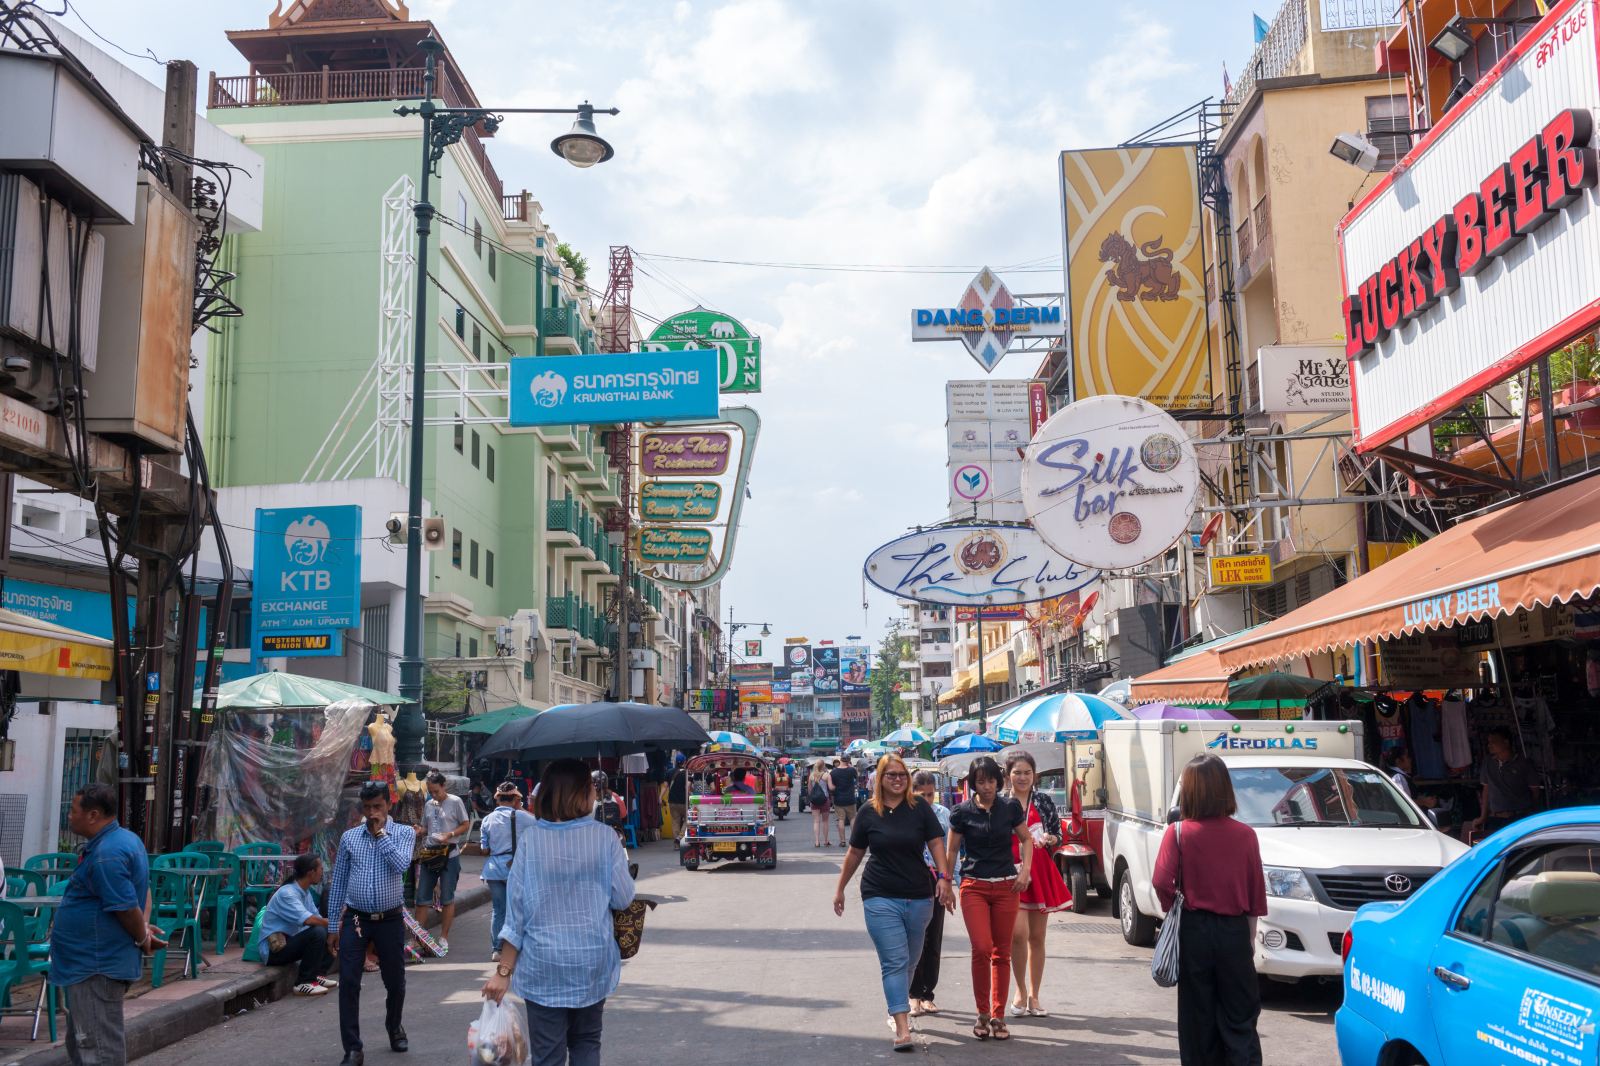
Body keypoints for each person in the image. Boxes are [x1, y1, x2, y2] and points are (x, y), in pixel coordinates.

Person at [483, 759, 635, 1066]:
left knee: (548, 1056)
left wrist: (503, 972)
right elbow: (623, 899)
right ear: (579, 792)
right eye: (591, 787)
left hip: (543, 967)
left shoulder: (530, 839)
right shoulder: (605, 837)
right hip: (591, 962)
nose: (595, 792)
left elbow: (516, 915)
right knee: (586, 1043)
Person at [1153, 754, 1268, 1066]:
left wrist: (1174, 907)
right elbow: (1256, 891)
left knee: (1197, 1019)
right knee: (1240, 1017)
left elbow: (1161, 881)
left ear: (1189, 792)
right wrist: (1249, 933)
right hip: (1234, 932)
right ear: (1224, 789)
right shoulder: (1246, 835)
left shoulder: (1178, 833)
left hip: (1194, 931)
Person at [832, 753, 952, 1053]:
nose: (897, 779)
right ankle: (901, 1025)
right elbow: (855, 853)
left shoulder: (919, 808)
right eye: (891, 775)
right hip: (879, 895)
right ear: (880, 779)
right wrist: (840, 889)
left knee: (910, 960)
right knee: (894, 962)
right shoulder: (868, 812)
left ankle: (896, 1006)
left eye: (901, 775)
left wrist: (943, 877)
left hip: (919, 896)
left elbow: (937, 842)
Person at [50, 784, 165, 1066]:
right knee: (84, 1044)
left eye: (73, 810)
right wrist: (144, 927)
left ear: (93, 815)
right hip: (86, 963)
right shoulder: (121, 841)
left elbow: (126, 906)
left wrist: (141, 937)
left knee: (98, 1049)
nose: (68, 816)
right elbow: (141, 892)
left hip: (95, 965)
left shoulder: (108, 853)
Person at [328, 780, 417, 1065]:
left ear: (389, 805)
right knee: (349, 982)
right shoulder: (350, 838)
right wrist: (332, 925)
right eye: (367, 808)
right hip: (356, 918)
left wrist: (381, 836)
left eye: (377, 806)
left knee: (395, 982)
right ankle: (353, 1048)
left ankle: (394, 1026)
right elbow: (339, 880)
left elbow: (401, 865)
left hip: (390, 918)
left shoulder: (403, 833)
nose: (372, 813)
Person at [945, 755, 1032, 1042]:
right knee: (981, 948)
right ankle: (982, 1013)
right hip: (974, 886)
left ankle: (998, 1016)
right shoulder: (960, 812)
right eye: (981, 781)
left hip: (1007, 886)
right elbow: (952, 851)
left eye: (991, 780)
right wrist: (946, 882)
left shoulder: (1010, 808)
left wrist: (1025, 872)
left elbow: (1026, 839)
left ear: (999, 780)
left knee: (1001, 952)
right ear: (972, 783)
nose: (987, 786)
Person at [1003, 750, 1072, 1017]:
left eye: (1027, 773)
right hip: (1012, 872)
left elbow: (1058, 833)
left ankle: (1035, 995)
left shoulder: (1043, 801)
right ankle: (1019, 990)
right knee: (1017, 934)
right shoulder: (1001, 803)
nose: (1022, 777)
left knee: (1037, 937)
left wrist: (1050, 839)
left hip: (1040, 870)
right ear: (1008, 775)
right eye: (1017, 772)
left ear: (1035, 775)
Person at [908, 769, 952, 1019]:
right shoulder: (904, 815)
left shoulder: (944, 815)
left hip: (938, 881)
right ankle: (913, 994)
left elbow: (949, 850)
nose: (927, 799)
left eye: (930, 794)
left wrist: (950, 880)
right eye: (921, 794)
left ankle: (927, 994)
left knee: (933, 939)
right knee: (915, 941)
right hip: (911, 883)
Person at [259, 854, 335, 995]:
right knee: (318, 931)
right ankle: (304, 982)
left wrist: (334, 926)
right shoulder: (288, 893)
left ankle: (319, 974)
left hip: (289, 942)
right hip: (274, 951)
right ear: (310, 873)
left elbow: (317, 917)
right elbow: (308, 920)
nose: (322, 873)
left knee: (328, 929)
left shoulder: (305, 892)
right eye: (320, 869)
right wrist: (333, 923)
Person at [480, 781, 536, 962]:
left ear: (497, 799)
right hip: (516, 868)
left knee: (498, 909)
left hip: (493, 870)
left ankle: (497, 949)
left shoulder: (487, 820)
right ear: (515, 799)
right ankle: (517, 946)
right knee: (519, 908)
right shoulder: (524, 817)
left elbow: (484, 849)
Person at [415, 770, 469, 952]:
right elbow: (425, 827)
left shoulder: (455, 802)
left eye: (436, 791)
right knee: (422, 897)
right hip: (430, 853)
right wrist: (419, 830)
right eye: (431, 792)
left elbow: (465, 824)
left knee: (447, 897)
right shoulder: (429, 804)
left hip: (449, 854)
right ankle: (418, 936)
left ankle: (444, 937)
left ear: (443, 786)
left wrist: (451, 834)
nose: (434, 795)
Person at [1473, 727, 1541, 837]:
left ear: (1506, 742)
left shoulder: (1524, 763)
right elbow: (1486, 790)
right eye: (1488, 742)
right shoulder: (1488, 762)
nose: (1489, 745)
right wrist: (1483, 817)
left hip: (1518, 818)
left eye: (1493, 742)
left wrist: (1530, 814)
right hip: (1495, 819)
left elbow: (1535, 791)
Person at [830, 756, 859, 845]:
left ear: (840, 760)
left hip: (838, 799)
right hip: (850, 798)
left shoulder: (833, 772)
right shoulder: (851, 770)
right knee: (852, 818)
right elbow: (856, 778)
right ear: (849, 761)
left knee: (841, 820)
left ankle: (842, 841)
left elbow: (832, 787)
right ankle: (854, 840)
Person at [808, 758, 833, 847]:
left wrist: (811, 798)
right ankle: (826, 841)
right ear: (823, 766)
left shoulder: (811, 776)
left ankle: (817, 841)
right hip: (825, 800)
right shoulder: (826, 775)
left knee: (816, 821)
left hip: (814, 801)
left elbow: (810, 790)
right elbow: (831, 788)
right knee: (825, 821)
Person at [667, 759, 688, 841]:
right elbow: (687, 787)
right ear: (684, 762)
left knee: (675, 820)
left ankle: (676, 842)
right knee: (687, 819)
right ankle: (681, 836)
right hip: (683, 801)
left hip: (672, 801)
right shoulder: (686, 773)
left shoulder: (669, 772)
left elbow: (665, 786)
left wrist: (660, 797)